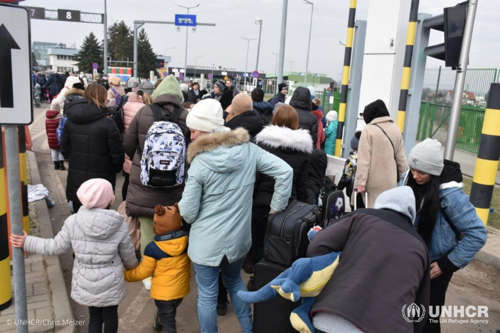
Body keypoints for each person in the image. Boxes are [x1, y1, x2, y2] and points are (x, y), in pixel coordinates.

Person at [178, 99, 293, 333]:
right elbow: (285, 171)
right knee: (235, 282)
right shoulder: (249, 149)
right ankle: (248, 329)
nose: (191, 136)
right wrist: (276, 207)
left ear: (207, 129)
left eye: (194, 130)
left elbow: (188, 214)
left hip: (205, 243)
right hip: (238, 239)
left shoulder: (199, 162)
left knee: (208, 295)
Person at [10, 179, 138, 333]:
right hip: (111, 278)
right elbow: (128, 252)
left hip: (85, 278)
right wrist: (133, 267)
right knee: (110, 315)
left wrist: (28, 241)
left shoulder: (73, 221)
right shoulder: (119, 223)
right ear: (108, 199)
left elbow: (54, 246)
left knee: (94, 315)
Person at [307, 186, 430, 333]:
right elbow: (420, 308)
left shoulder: (360, 217)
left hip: (332, 318)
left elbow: (317, 246)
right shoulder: (421, 248)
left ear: (381, 202)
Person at [406, 139, 487, 333]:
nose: (415, 175)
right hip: (411, 262)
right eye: (413, 169)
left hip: (435, 267)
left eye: (422, 172)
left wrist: (446, 264)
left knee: (428, 321)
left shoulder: (451, 196)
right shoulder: (407, 178)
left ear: (433, 173)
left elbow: (478, 234)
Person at [123, 75, 189, 286]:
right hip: (175, 185)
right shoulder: (186, 116)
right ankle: (170, 270)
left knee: (148, 230)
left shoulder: (144, 112)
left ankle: (149, 274)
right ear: (179, 96)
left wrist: (141, 158)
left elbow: (128, 143)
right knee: (173, 229)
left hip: (145, 183)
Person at [250, 104, 313, 279]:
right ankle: (278, 281)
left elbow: (253, 177)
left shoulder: (261, 144)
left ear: (274, 119)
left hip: (260, 203)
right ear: (295, 122)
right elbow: (302, 184)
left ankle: (257, 278)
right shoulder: (303, 150)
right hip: (288, 205)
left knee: (259, 243)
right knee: (281, 246)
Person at [125, 204, 190, 333]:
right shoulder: (187, 240)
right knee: (170, 311)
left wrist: (126, 275)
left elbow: (144, 272)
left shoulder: (153, 248)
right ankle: (159, 319)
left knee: (169, 323)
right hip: (180, 291)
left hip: (163, 295)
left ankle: (162, 321)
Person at [61, 83, 124, 213]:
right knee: (100, 219)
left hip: (76, 178)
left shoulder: (71, 120)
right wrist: (117, 168)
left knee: (77, 216)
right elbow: (117, 153)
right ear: (102, 98)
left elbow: (64, 149)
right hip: (101, 179)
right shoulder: (108, 123)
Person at [354, 99, 407, 207]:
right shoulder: (396, 129)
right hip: (390, 183)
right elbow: (401, 158)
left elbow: (364, 160)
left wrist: (360, 182)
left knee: (370, 214)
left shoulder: (368, 130)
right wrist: (404, 179)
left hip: (372, 183)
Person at [122, 90, 149, 200]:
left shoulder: (126, 105)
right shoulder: (146, 109)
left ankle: (124, 203)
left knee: (128, 179)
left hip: (127, 144)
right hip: (140, 148)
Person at [338, 131, 364, 211]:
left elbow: (346, 177)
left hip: (353, 190)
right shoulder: (367, 157)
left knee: (354, 209)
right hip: (364, 190)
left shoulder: (352, 160)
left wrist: (338, 188)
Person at [44, 100, 65, 170]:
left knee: (53, 150)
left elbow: (47, 129)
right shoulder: (60, 118)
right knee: (60, 150)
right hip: (59, 137)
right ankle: (61, 165)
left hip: (50, 137)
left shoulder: (47, 119)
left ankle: (56, 165)